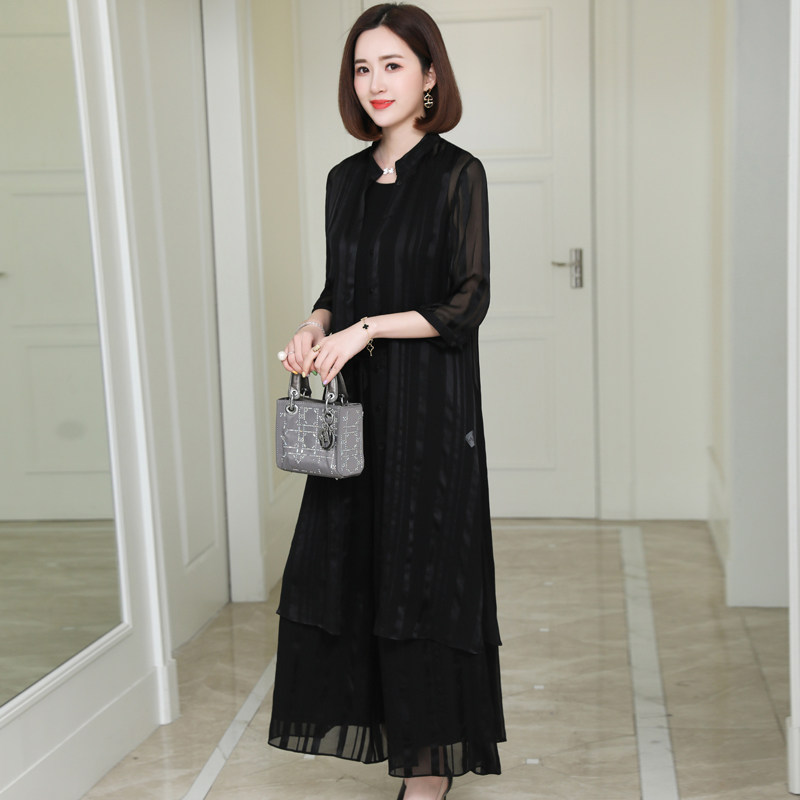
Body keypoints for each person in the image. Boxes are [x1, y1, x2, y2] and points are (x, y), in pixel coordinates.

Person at [269, 4, 505, 798]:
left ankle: (428, 769)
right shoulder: (343, 180)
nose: (375, 82)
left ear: (430, 75)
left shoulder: (458, 174)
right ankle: (389, 739)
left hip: (430, 408)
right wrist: (315, 327)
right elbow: (340, 286)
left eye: (393, 65)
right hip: (355, 413)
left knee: (422, 577)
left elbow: (466, 301)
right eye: (362, 68)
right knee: (353, 570)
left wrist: (367, 329)